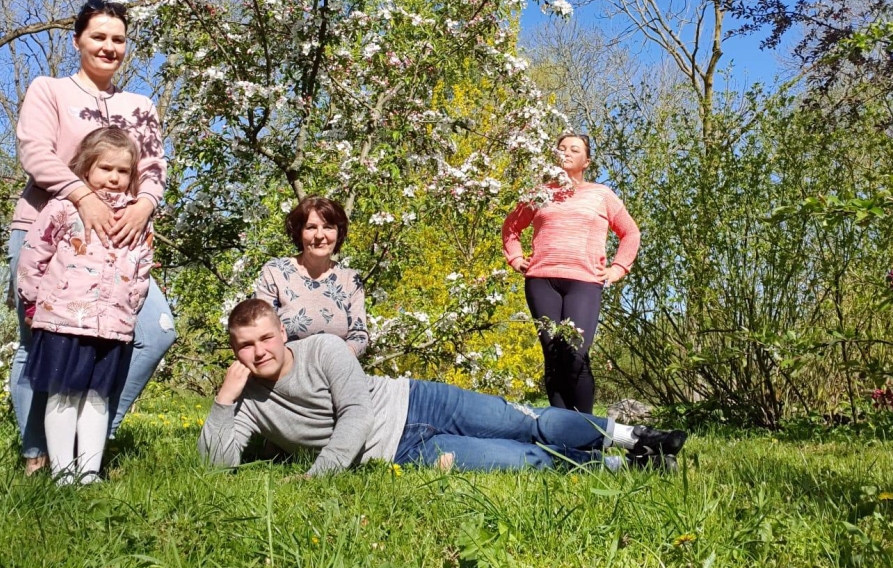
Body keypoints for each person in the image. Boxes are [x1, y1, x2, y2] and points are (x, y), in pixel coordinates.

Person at [198, 299, 687, 475]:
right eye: (246, 346)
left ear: (282, 332)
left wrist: (317, 475)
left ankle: (637, 437)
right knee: (524, 462)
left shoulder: (323, 348)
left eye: (266, 338)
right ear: (235, 351)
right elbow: (216, 464)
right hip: (403, 452)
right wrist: (223, 401)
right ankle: (625, 468)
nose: (259, 351)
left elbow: (357, 416)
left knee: (527, 424)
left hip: (419, 400)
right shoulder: (247, 403)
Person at [8, 0, 176, 476]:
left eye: (118, 39)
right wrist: (83, 196)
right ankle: (36, 455)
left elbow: (154, 168)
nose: (109, 46)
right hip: (47, 230)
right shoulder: (50, 90)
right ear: (78, 39)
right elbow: (36, 152)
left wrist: (144, 206)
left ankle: (95, 438)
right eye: (99, 36)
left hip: (118, 245)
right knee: (35, 344)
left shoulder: (139, 106)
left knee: (154, 330)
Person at [16, 128, 154, 484]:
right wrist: (32, 302)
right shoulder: (64, 208)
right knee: (62, 395)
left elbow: (143, 267)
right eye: (105, 167)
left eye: (123, 171)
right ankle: (63, 474)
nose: (114, 177)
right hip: (64, 319)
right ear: (86, 167)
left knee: (97, 398)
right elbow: (34, 255)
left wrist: (131, 307)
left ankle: (89, 472)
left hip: (112, 324)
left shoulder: (137, 217)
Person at [502, 133, 641, 414]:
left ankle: (585, 435)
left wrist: (618, 268)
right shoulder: (539, 194)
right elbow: (511, 228)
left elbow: (630, 232)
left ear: (586, 161)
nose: (565, 153)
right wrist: (516, 258)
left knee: (575, 354)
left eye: (574, 149)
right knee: (553, 354)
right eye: (561, 148)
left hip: (584, 282)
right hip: (542, 281)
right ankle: (561, 434)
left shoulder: (601, 195)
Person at [254, 196, 368, 358]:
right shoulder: (275, 273)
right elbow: (262, 330)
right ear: (299, 232)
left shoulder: (351, 280)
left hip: (336, 372)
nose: (320, 235)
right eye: (311, 227)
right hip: (287, 372)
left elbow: (359, 335)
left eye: (328, 227)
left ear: (338, 232)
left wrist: (340, 361)